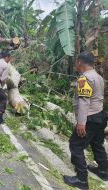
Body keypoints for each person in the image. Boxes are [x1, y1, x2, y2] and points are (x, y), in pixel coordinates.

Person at [63, 51, 108, 189]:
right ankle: (104, 171)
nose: (76, 64)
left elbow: (84, 102)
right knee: (97, 144)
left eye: (77, 62)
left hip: (90, 118)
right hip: (100, 116)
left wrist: (81, 123)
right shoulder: (98, 77)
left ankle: (81, 180)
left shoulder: (84, 78)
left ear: (80, 62)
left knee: (75, 145)